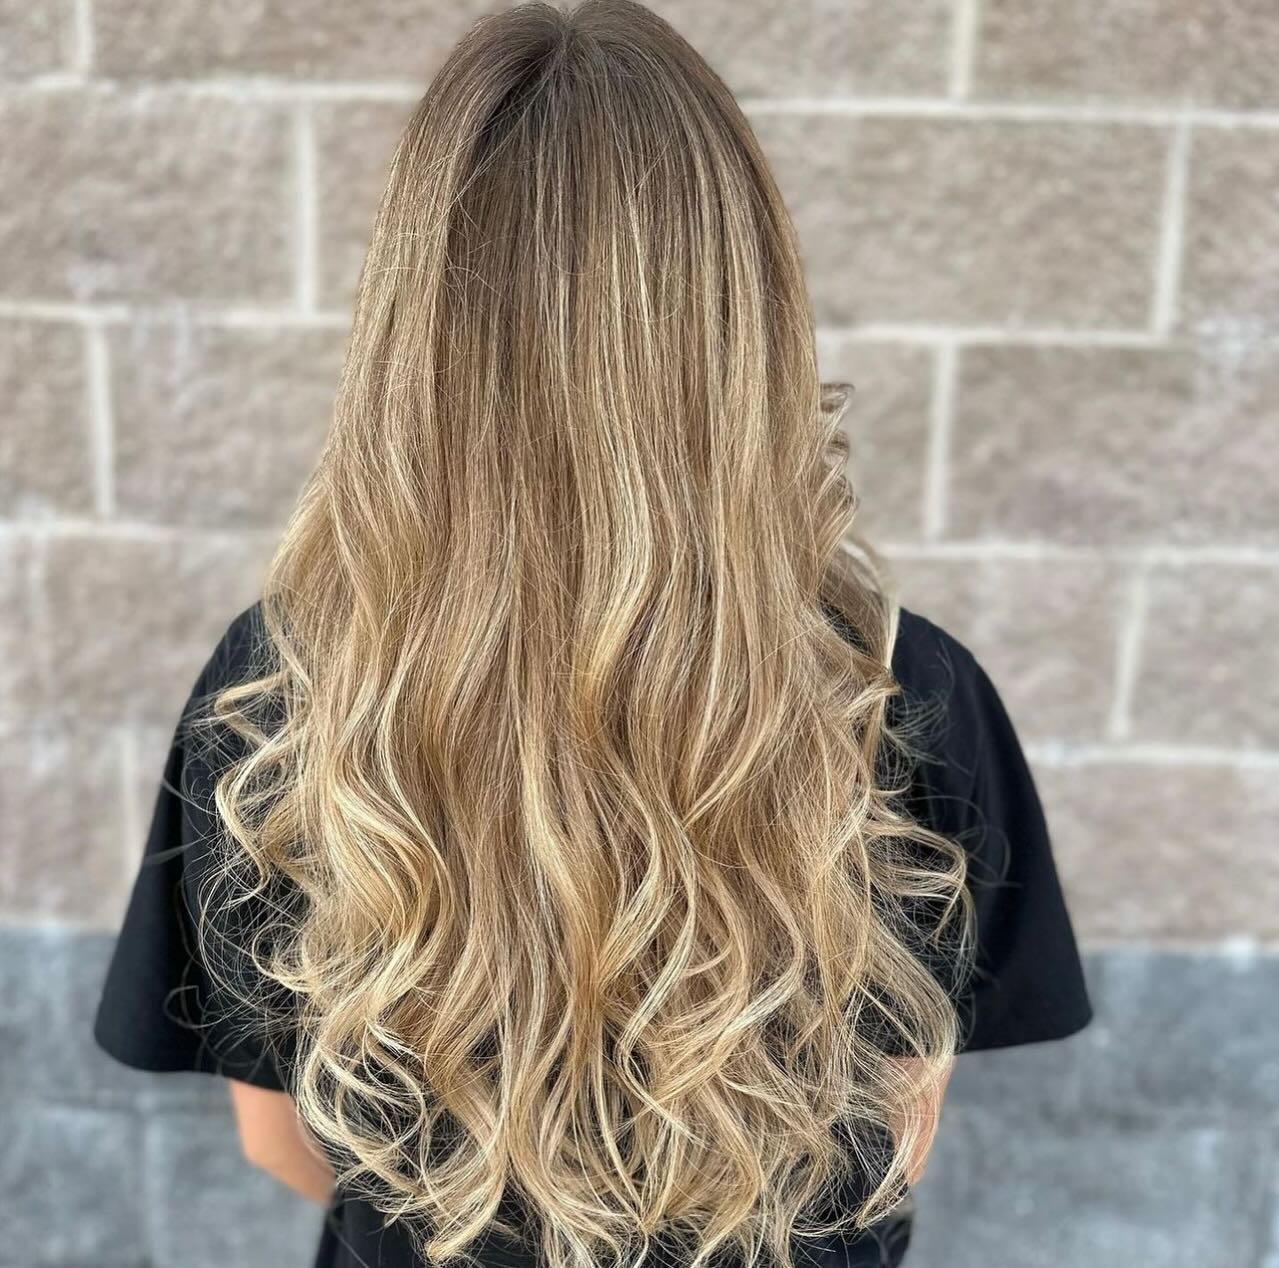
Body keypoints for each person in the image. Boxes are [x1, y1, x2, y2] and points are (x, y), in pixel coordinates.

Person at [92, 3, 1092, 1267]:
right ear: (741, 317)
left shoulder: (280, 690)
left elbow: (281, 1137)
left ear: (415, 327)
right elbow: (900, 1129)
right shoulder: (899, 686)